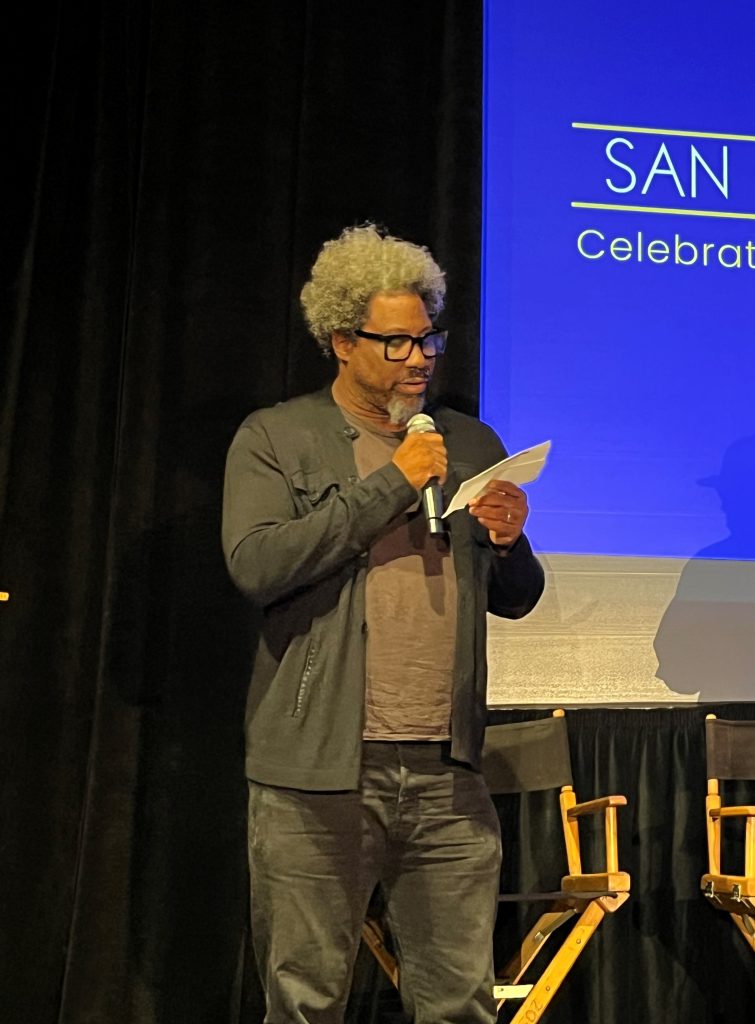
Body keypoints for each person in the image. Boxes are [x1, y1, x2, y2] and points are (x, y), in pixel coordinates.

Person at [222, 224, 545, 1023]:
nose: (418, 357)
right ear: (340, 340)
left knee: (460, 1002)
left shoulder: (467, 441)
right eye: (395, 342)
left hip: (447, 770)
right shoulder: (277, 437)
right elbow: (258, 567)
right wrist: (389, 486)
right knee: (305, 999)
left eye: (427, 336)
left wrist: (508, 544)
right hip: (317, 773)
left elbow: (516, 597)